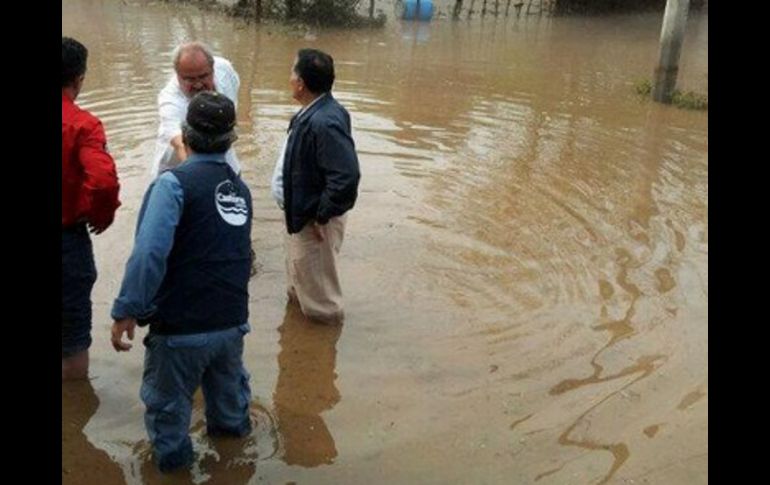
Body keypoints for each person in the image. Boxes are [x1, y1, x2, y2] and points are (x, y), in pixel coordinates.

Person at [111, 92, 253, 472]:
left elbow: (149, 255)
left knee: (170, 421)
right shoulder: (240, 189)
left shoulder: (172, 185)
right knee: (230, 417)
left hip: (180, 330)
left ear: (184, 136)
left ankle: (173, 475)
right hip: (231, 325)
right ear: (231, 140)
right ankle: (235, 470)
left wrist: (127, 309)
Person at [270, 48, 360, 324]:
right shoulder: (315, 112)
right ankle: (298, 345)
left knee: (322, 302)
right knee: (301, 284)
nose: (289, 78)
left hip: (315, 223)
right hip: (301, 217)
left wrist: (322, 215)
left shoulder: (324, 121)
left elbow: (346, 177)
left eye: (292, 72)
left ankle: (320, 356)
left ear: (301, 83)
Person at [62, 36, 121, 380]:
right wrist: (100, 215)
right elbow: (102, 182)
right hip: (67, 241)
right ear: (79, 78)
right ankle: (72, 423)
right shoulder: (83, 125)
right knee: (71, 345)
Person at [151, 41, 240, 178]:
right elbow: (180, 145)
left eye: (203, 76)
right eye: (189, 79)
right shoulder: (170, 100)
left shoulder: (225, 69)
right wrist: (204, 182)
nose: (198, 84)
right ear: (177, 75)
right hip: (177, 172)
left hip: (224, 158)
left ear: (213, 69)